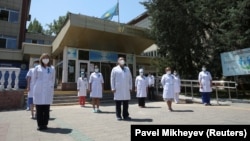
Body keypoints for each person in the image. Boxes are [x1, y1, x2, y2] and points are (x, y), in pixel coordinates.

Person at [33, 53, 55, 130]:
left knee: (46, 109)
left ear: (49, 59)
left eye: (47, 57)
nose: (45, 59)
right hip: (39, 90)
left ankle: (45, 124)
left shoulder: (52, 68)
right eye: (44, 58)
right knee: (39, 109)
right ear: (41, 59)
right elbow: (33, 80)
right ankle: (40, 125)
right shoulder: (37, 68)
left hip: (48, 91)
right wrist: (34, 89)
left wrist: (51, 87)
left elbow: (53, 79)